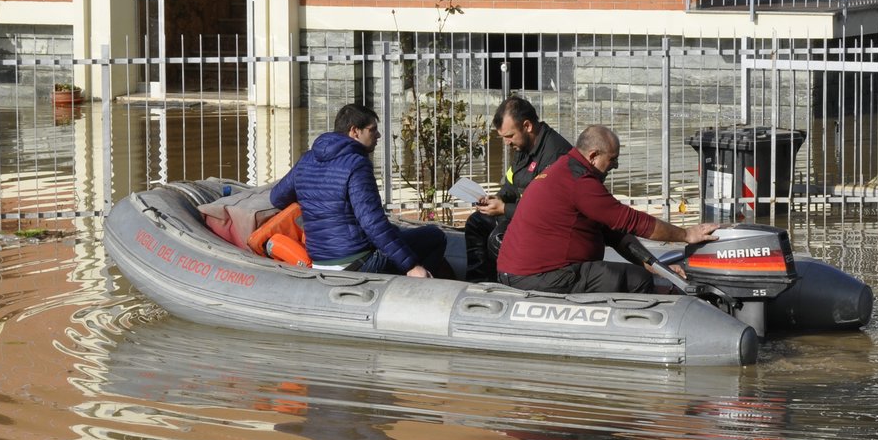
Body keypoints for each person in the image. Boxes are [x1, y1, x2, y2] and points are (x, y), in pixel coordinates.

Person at [496, 124, 719, 294]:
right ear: (593, 156)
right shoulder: (579, 183)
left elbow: (615, 233)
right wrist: (686, 235)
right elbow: (632, 221)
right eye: (612, 159)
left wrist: (656, 266)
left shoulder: (565, 169)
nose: (616, 166)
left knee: (638, 273)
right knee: (636, 280)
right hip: (538, 276)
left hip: (525, 272)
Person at [270, 103, 452, 278]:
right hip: (356, 262)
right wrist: (411, 266)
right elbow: (372, 223)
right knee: (434, 236)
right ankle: (418, 291)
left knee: (396, 233)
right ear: (354, 131)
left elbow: (277, 197)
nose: (379, 135)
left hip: (320, 260)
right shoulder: (357, 165)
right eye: (372, 130)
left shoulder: (306, 160)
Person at [463, 96, 572, 282]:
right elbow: (512, 184)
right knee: (477, 222)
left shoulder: (556, 155)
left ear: (527, 126)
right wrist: (495, 199)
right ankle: (479, 284)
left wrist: (504, 209)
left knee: (499, 239)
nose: (506, 143)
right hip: (523, 214)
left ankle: (510, 284)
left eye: (509, 136)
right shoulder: (524, 147)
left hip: (548, 226)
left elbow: (546, 210)